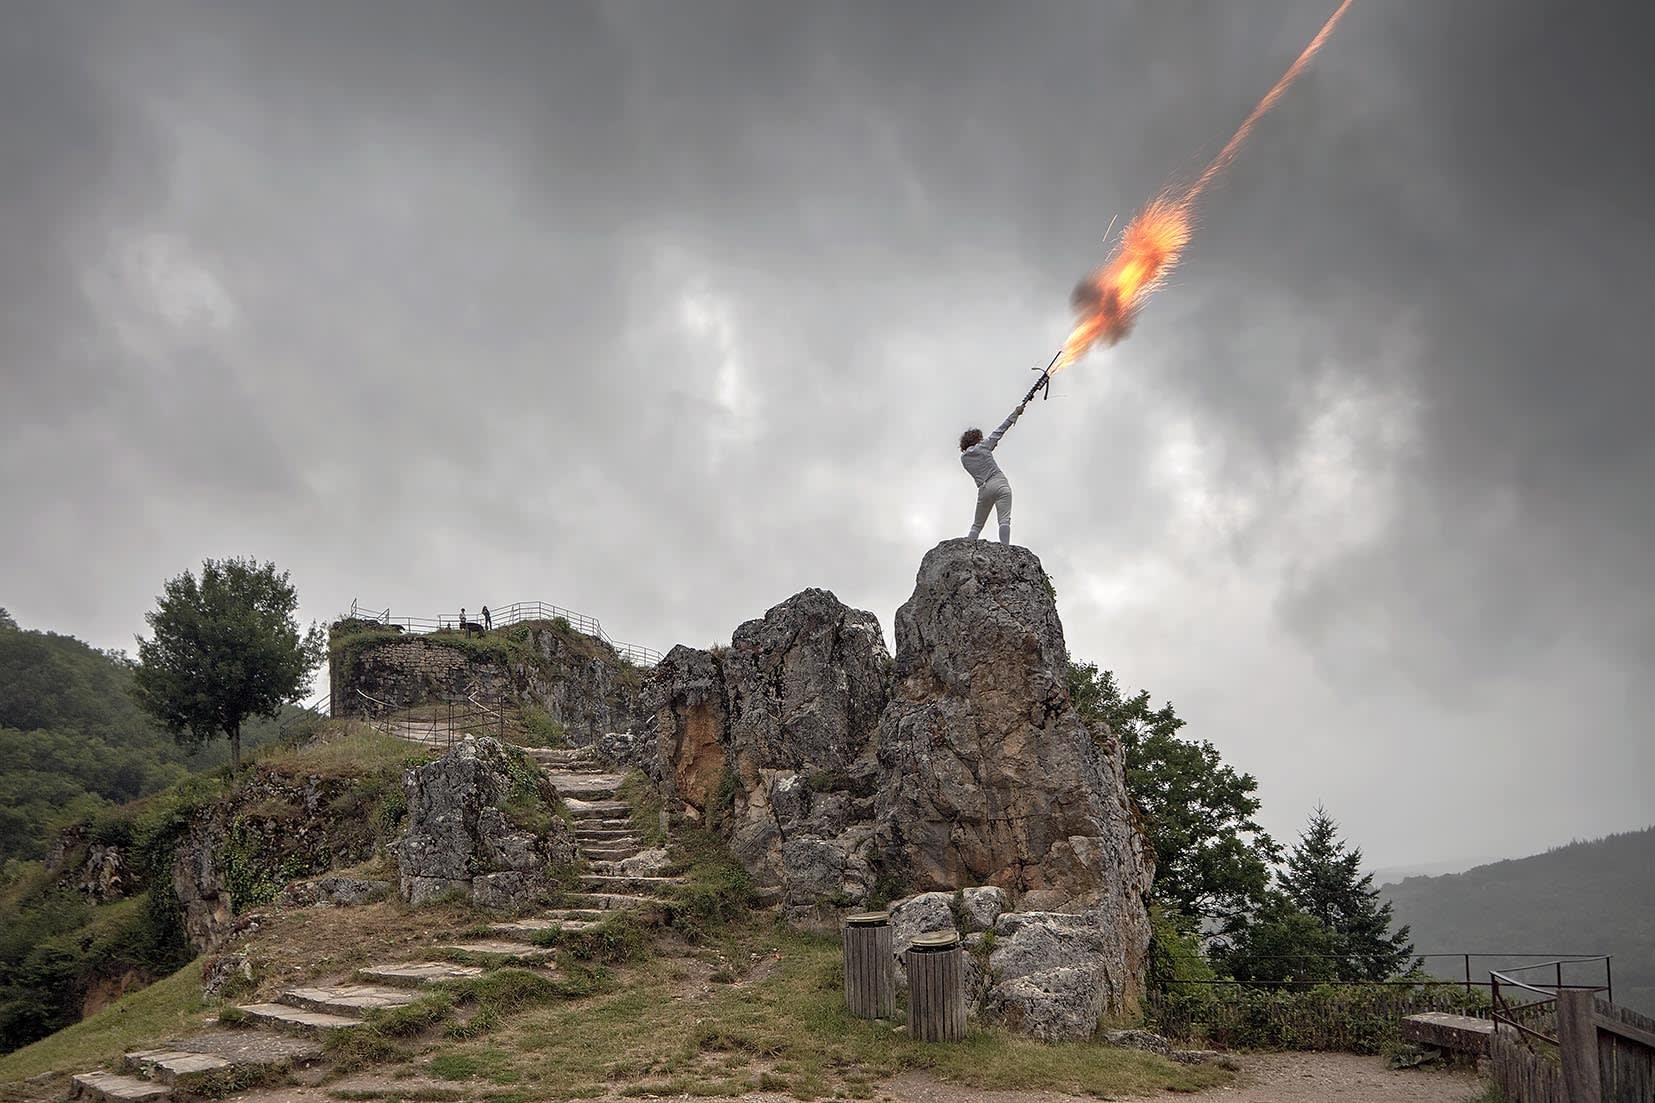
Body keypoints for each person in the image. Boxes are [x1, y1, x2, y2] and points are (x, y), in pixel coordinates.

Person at [959, 399, 1027, 546]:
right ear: (977, 439)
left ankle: (968, 547)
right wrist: (1016, 413)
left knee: (977, 525)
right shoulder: (983, 446)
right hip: (999, 481)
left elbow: (980, 457)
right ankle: (1005, 548)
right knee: (1004, 519)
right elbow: (1001, 430)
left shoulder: (964, 459)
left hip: (983, 489)